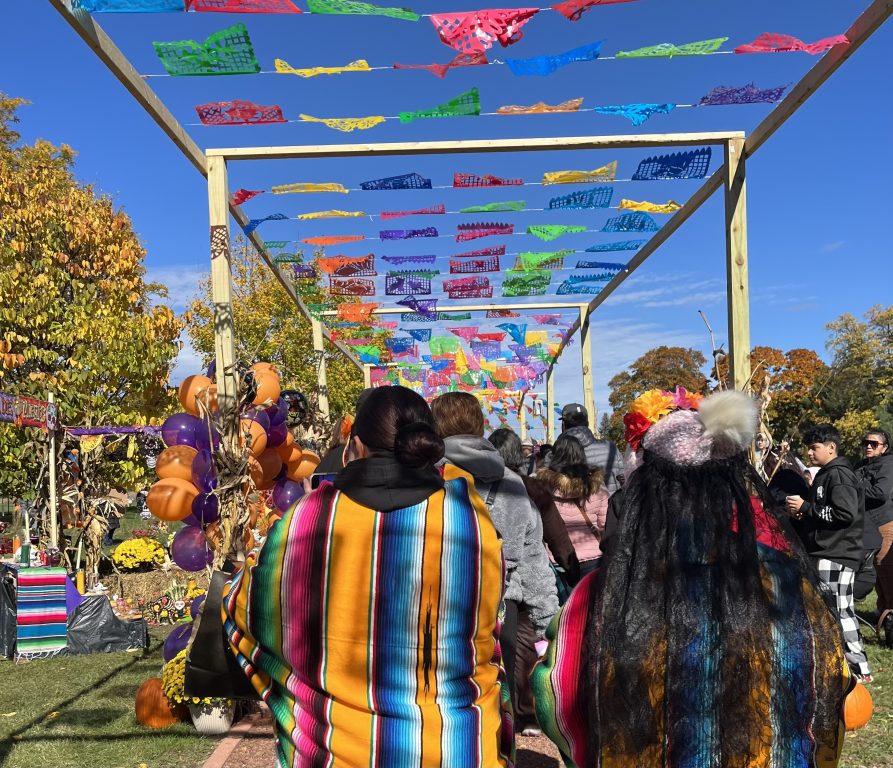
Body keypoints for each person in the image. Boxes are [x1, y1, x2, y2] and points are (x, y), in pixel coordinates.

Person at [532, 390, 851, 767]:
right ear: (733, 485)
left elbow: (555, 694)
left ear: (646, 489)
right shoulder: (785, 578)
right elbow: (830, 683)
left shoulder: (604, 591)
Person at [224, 386, 512, 766]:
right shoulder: (468, 520)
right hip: (454, 747)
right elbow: (487, 619)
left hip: (331, 751)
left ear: (355, 446)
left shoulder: (306, 521)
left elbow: (245, 608)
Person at [431, 392, 558, 709]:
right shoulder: (512, 482)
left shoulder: (427, 477)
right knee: (496, 704)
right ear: (479, 426)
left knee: (440, 705)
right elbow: (534, 564)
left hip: (436, 606)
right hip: (501, 611)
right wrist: (547, 627)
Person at [489, 427, 578, 737]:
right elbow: (556, 535)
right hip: (530, 575)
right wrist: (570, 566)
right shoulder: (532, 488)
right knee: (530, 643)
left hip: (496, 582)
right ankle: (528, 710)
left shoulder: (473, 484)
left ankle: (506, 712)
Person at [786, 424, 871, 682]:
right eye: (808, 448)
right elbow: (827, 512)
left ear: (831, 447)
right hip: (825, 551)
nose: (809, 453)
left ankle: (859, 669)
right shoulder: (826, 474)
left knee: (840, 609)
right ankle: (839, 664)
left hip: (836, 552)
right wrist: (805, 513)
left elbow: (844, 514)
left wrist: (808, 507)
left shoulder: (839, 475)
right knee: (828, 610)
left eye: (814, 448)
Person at [537, 434, 609, 577]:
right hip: (594, 557)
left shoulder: (542, 488)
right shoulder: (597, 488)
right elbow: (603, 524)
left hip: (558, 558)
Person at [856, 428, 893, 635]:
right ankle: (883, 614)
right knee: (876, 575)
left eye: (874, 444)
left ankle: (889, 617)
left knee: (886, 570)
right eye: (866, 443)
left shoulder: (888, 464)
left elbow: (880, 493)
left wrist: (856, 484)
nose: (868, 446)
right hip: (865, 524)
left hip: (885, 522)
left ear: (884, 447)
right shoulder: (861, 466)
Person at [557, 403, 623, 495]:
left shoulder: (557, 452)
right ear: (587, 423)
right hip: (613, 506)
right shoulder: (611, 448)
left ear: (564, 424)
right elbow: (623, 479)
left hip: (575, 508)